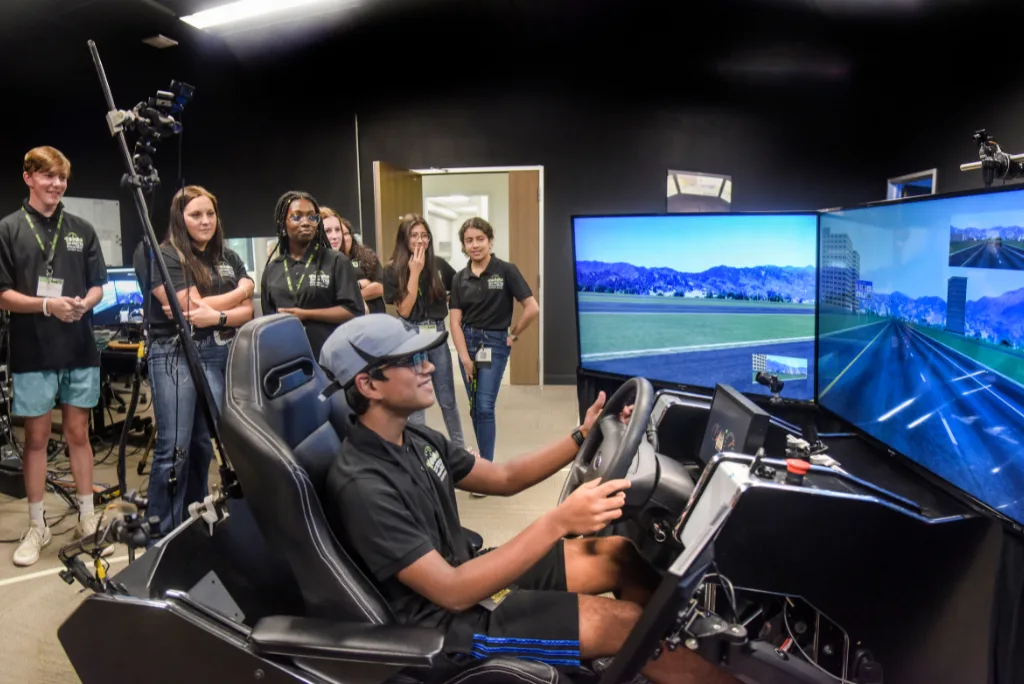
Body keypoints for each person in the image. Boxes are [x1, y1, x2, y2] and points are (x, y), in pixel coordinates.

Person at [320, 315, 736, 684]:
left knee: (618, 554)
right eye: (410, 361)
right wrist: (559, 521)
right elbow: (452, 591)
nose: (428, 366)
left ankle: (670, 655)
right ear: (368, 384)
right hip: (446, 626)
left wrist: (581, 435)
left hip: (467, 570)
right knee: (625, 625)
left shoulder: (414, 437)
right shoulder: (362, 484)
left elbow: (504, 476)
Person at [0, 146, 109, 566]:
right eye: (48, 177)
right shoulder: (9, 229)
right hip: (33, 351)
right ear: (28, 177)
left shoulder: (81, 227)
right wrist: (47, 306)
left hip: (80, 347)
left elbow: (98, 283)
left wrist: (86, 302)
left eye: (62, 178)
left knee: (79, 434)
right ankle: (37, 524)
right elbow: (3, 294)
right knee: (37, 439)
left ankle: (86, 516)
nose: (56, 185)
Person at [133, 185, 255, 538]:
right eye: (196, 215)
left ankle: (194, 523)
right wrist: (242, 290)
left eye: (210, 214)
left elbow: (245, 313)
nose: (205, 221)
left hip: (220, 353)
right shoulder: (165, 254)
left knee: (206, 445)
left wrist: (220, 311)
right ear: (179, 218)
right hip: (175, 354)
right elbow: (187, 309)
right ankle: (162, 535)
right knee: (176, 449)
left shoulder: (226, 256)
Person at [449, 217, 539, 466]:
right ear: (463, 245)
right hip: (467, 343)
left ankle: (486, 468)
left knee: (485, 406)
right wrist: (465, 357)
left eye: (480, 239)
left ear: (490, 241)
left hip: (493, 344)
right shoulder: (459, 278)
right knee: (474, 407)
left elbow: (532, 308)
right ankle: (481, 459)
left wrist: (513, 335)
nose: (475, 245)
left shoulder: (506, 270)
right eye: (469, 240)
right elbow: (454, 322)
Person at [382, 215, 464, 446]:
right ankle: (419, 450)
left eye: (424, 235)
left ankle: (459, 448)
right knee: (416, 400)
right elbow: (405, 311)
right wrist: (415, 272)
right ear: (404, 239)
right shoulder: (392, 270)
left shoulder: (438, 265)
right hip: (410, 334)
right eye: (414, 235)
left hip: (436, 334)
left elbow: (458, 286)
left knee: (447, 398)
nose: (420, 240)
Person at [260, 191, 365, 359]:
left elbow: (353, 311)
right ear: (283, 224)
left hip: (331, 357)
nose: (306, 222)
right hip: (287, 360)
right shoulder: (272, 269)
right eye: (297, 217)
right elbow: (268, 320)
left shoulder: (336, 261)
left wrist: (306, 314)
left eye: (312, 217)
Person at [322, 208, 385, 314]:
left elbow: (380, 287)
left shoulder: (366, 256)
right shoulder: (332, 261)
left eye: (339, 231)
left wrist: (354, 292)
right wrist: (360, 285)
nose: (336, 236)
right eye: (328, 231)